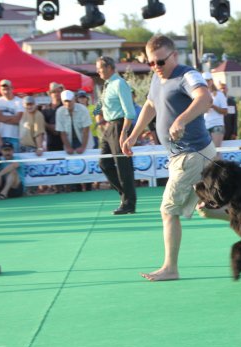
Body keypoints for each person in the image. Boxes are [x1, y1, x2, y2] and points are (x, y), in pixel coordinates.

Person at [121, 34, 216, 282]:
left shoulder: (187, 74)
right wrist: (133, 135)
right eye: (150, 63)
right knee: (209, 208)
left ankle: (170, 268)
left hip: (192, 155)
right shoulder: (156, 77)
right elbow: (151, 106)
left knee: (167, 211)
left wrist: (181, 119)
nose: (155, 67)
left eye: (160, 62)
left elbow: (205, 98)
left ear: (174, 55)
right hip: (183, 156)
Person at [96, 56, 137, 215]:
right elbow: (100, 104)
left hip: (120, 125)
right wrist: (97, 115)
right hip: (109, 126)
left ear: (109, 67)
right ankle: (125, 194)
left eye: (100, 68)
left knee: (122, 166)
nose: (98, 71)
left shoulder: (119, 83)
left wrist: (124, 132)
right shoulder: (107, 85)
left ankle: (128, 203)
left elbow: (129, 111)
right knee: (104, 163)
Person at [56, 90, 92, 155]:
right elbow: (62, 132)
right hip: (69, 141)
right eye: (65, 101)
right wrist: (68, 147)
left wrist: (83, 147)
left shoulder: (83, 109)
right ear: (62, 101)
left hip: (85, 142)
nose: (68, 103)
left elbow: (86, 130)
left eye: (69, 101)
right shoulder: (59, 111)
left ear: (74, 99)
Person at [0, 79, 23, 152]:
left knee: (15, 157)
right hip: (1, 136)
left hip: (15, 136)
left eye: (8, 89)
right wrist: (13, 117)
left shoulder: (19, 101)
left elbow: (18, 119)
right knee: (2, 160)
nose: (6, 92)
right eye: (3, 89)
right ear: (0, 90)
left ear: (12, 88)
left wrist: (2, 118)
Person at [202, 72, 228, 149]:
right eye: (204, 80)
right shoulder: (201, 95)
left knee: (216, 152)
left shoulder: (220, 94)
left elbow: (225, 111)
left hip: (217, 124)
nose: (206, 82)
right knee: (208, 153)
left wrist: (213, 106)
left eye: (208, 80)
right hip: (205, 125)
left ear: (212, 81)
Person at [42, 82, 64, 152]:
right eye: (54, 92)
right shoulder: (45, 108)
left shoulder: (64, 107)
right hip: (49, 143)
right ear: (50, 94)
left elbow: (56, 130)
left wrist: (45, 124)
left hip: (64, 144)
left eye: (59, 91)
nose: (57, 94)